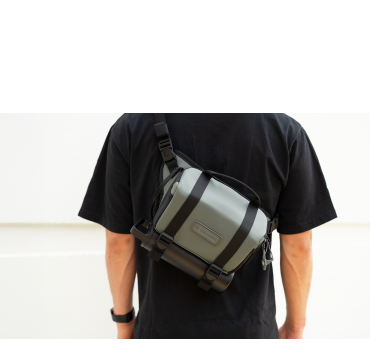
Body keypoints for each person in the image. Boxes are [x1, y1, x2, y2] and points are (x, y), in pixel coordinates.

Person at [79, 114, 337, 339]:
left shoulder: (131, 127)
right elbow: (299, 247)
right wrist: (295, 328)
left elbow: (118, 242)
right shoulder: (284, 132)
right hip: (251, 332)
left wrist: (124, 324)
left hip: (159, 331)